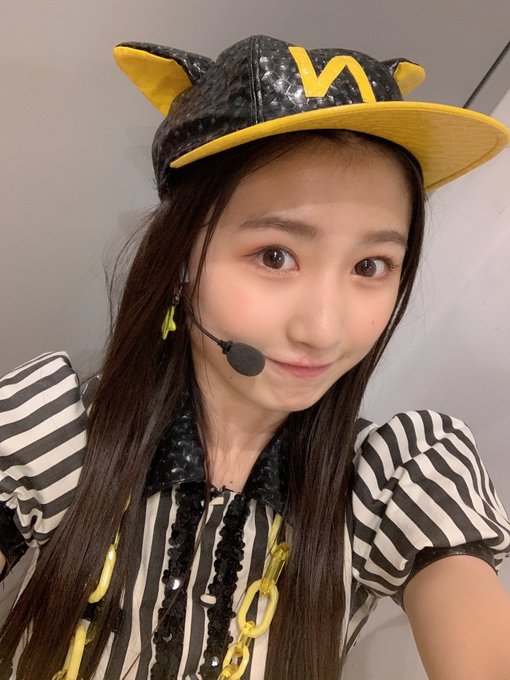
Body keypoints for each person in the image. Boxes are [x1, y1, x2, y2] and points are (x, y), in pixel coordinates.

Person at [0, 34, 509, 680]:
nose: (323, 330)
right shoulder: (59, 429)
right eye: (275, 256)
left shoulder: (393, 479)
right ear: (182, 261)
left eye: (371, 266)